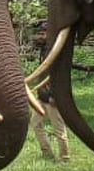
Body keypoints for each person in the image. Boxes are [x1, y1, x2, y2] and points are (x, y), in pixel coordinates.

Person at [29, 22, 70, 162]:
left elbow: (59, 75)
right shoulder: (44, 50)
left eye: (42, 33)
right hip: (41, 96)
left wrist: (55, 95)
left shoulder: (55, 50)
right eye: (39, 33)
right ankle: (46, 153)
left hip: (53, 97)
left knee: (58, 129)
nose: (39, 36)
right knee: (35, 123)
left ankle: (65, 157)